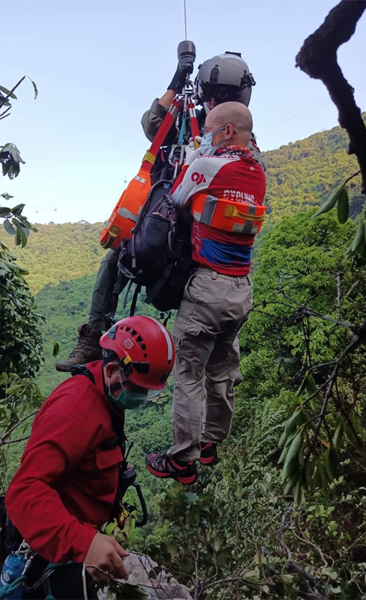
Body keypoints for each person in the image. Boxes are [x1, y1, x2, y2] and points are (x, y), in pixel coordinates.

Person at [56, 52, 264, 374]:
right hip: (159, 216)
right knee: (116, 258)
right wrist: (175, 82)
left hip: (196, 233)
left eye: (222, 97)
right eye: (212, 96)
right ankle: (93, 338)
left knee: (201, 288)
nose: (215, 102)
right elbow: (152, 124)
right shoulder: (187, 118)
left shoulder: (237, 136)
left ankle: (211, 363)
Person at [6, 316, 176, 597]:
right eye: (137, 389)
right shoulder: (74, 411)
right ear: (112, 369)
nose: (140, 396)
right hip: (52, 555)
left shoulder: (105, 395)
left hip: (74, 545)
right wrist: (84, 543)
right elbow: (24, 491)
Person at [144, 101, 266, 484]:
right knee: (223, 370)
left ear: (227, 132)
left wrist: (194, 155)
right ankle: (211, 442)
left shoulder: (207, 166)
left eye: (211, 130)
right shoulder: (260, 172)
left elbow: (174, 200)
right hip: (241, 289)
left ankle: (182, 459)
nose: (207, 138)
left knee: (189, 374)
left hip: (206, 291)